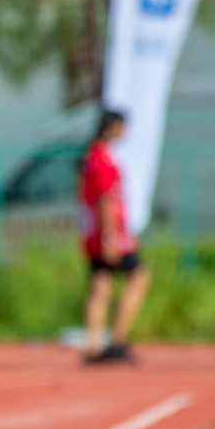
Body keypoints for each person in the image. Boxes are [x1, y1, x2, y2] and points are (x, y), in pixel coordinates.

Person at [81, 109, 148, 365]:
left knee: (101, 284)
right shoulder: (102, 158)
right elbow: (106, 200)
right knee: (139, 277)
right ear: (111, 128)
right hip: (107, 234)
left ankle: (93, 346)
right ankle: (117, 340)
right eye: (122, 127)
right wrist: (112, 236)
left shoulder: (94, 156)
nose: (125, 132)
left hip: (98, 233)